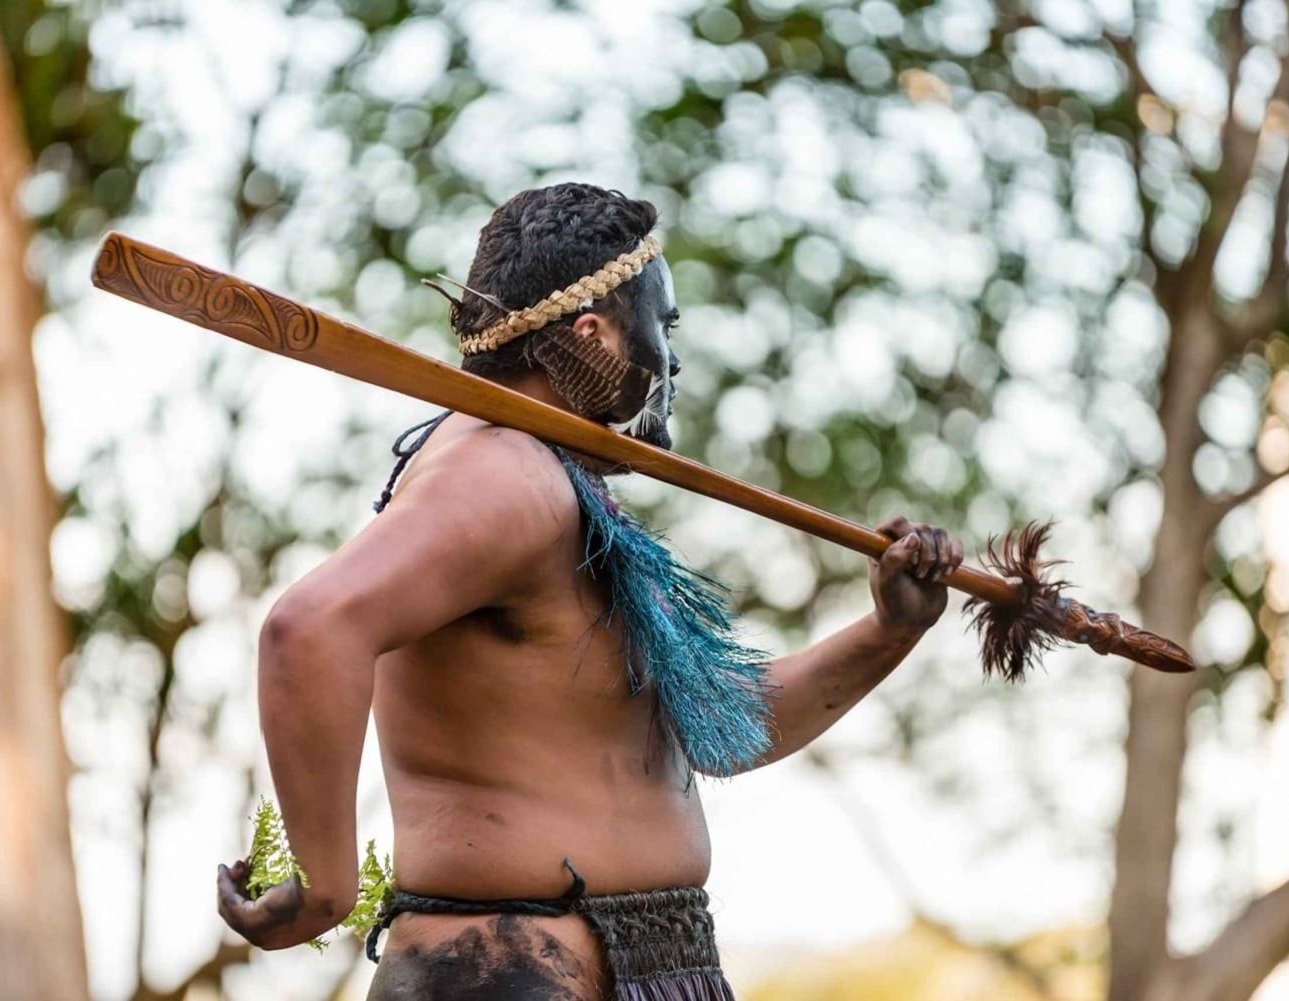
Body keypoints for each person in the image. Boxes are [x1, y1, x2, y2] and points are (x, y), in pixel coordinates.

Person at [213, 183, 964, 999]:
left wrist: (890, 630)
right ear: (594, 333)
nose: (671, 360)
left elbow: (723, 730)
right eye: (663, 327)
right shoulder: (503, 471)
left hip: (626, 965)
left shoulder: (551, 485)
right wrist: (324, 886)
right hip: (510, 970)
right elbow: (309, 626)